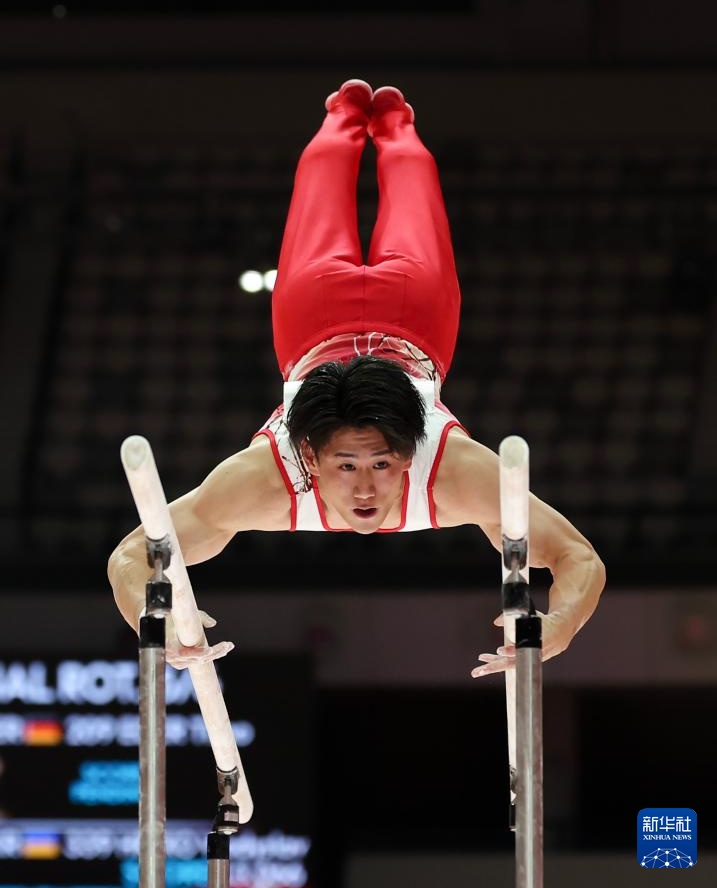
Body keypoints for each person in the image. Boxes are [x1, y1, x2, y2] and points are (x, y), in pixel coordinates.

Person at [108, 80, 606, 677]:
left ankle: (372, 118)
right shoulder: (263, 479)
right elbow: (129, 558)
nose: (365, 489)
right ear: (310, 457)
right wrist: (153, 621)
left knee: (319, 197)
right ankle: (368, 120)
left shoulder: (456, 470)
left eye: (381, 463)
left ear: (411, 451)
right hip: (416, 315)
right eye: (346, 465)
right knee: (412, 186)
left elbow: (579, 558)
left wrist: (560, 625)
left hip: (310, 319)